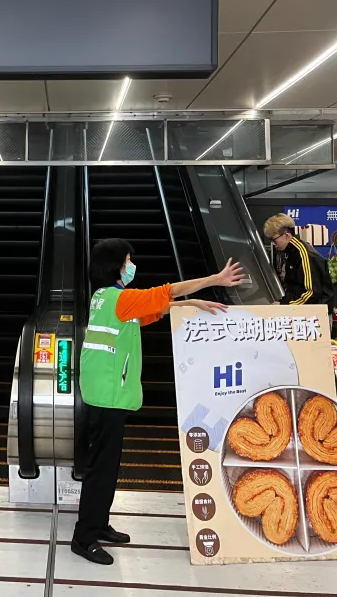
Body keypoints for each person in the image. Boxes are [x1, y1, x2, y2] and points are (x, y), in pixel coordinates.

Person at [71, 238, 244, 565]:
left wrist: (193, 304)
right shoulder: (120, 299)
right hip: (108, 395)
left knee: (107, 465)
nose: (131, 265)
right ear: (116, 266)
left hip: (104, 392)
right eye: (127, 261)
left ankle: (99, 523)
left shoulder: (104, 299)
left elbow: (154, 311)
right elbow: (166, 292)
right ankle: (84, 537)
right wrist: (213, 280)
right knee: (101, 470)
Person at [263, 214, 334, 306]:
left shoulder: (303, 253)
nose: (273, 244)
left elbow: (312, 293)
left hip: (314, 314)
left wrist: (284, 305)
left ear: (286, 235)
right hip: (304, 310)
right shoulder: (292, 252)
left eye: (274, 239)